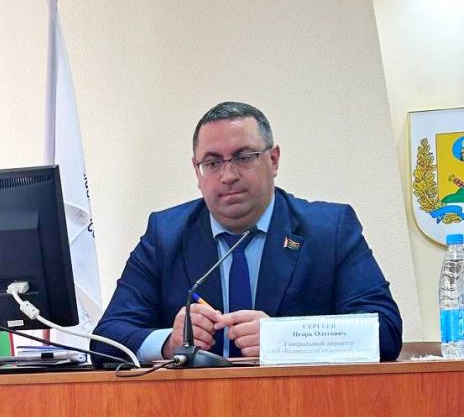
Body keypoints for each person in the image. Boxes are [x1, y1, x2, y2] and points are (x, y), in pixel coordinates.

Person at [92, 102, 402, 362]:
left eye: (243, 158)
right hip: (195, 409)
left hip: (301, 405)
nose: (228, 175)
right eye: (212, 163)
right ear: (197, 171)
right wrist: (168, 343)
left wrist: (284, 339)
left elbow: (385, 331)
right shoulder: (165, 235)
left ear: (273, 160)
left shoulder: (329, 230)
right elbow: (105, 338)